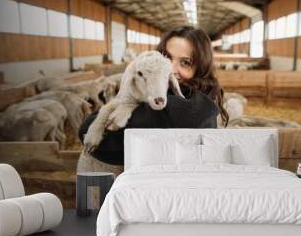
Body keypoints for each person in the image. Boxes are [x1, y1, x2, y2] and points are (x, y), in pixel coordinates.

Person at [78, 25, 229, 166]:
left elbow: (89, 133)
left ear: (201, 67)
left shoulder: (185, 109)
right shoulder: (206, 97)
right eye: (167, 58)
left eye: (185, 62)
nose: (171, 69)